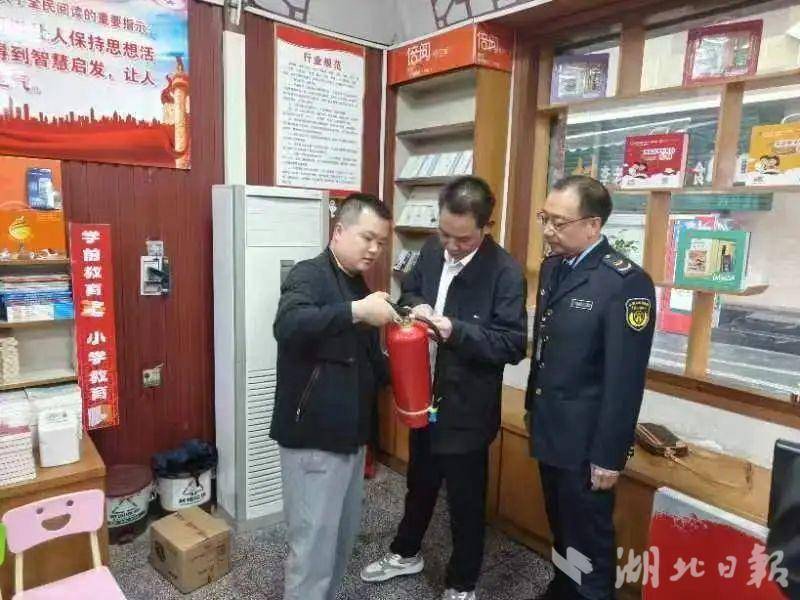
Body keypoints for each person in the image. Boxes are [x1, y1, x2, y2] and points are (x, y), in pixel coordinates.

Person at [361, 176, 527, 600]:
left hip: (468, 407)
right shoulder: (434, 250)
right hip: (424, 393)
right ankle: (406, 552)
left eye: (463, 239)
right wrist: (414, 304)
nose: (450, 246)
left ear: (486, 227)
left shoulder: (505, 273)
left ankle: (461, 583)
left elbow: (512, 344)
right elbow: (410, 289)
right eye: (444, 233)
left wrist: (456, 331)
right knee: (419, 481)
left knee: (466, 501)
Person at [525, 175, 656, 599]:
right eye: (545, 218)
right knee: (562, 528)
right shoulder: (554, 267)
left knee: (590, 542)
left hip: (587, 444)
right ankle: (564, 588)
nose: (548, 230)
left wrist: (608, 456)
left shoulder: (624, 283)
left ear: (593, 225)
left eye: (559, 222)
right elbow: (545, 349)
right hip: (550, 427)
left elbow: (625, 379)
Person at [270, 193, 397, 600]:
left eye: (381, 242)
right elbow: (288, 325)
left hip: (351, 436)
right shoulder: (309, 274)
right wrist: (356, 312)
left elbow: (368, 357)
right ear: (339, 231)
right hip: (314, 436)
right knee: (312, 548)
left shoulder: (357, 282)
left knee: (340, 539)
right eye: (367, 238)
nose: (374, 249)